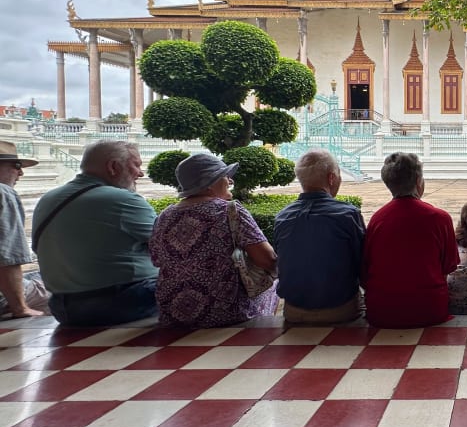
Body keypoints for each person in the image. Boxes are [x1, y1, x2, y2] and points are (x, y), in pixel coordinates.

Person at [34, 140, 159, 326]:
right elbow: (171, 245)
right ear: (113, 167)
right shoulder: (123, 199)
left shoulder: (48, 198)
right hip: (123, 301)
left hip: (62, 307)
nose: (140, 173)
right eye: (136, 165)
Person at [150, 153, 278, 327]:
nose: (230, 181)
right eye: (225, 176)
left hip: (173, 315)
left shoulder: (164, 216)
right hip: (226, 314)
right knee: (275, 285)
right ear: (209, 183)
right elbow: (267, 259)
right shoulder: (230, 211)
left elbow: (156, 259)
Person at [361, 152, 459, 328]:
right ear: (419, 182)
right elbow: (448, 267)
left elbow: (366, 267)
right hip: (429, 310)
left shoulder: (377, 219)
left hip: (382, 311)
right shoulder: (439, 218)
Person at [274, 149, 365, 324]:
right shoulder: (347, 214)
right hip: (340, 310)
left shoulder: (282, 217)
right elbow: (363, 264)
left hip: (293, 311)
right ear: (331, 178)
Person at [0, 141, 45, 318]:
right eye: (16, 166)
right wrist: (20, 308)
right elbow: (8, 256)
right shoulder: (4, 193)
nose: (21, 173)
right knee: (66, 294)